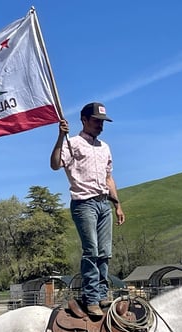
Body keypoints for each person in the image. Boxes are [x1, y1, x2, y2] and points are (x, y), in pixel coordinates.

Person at [50, 102, 125, 318]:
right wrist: (59, 137)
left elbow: (109, 178)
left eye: (102, 122)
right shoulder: (71, 143)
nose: (100, 126)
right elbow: (55, 164)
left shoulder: (105, 147)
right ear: (84, 120)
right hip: (84, 203)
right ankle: (91, 297)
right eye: (96, 121)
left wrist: (117, 204)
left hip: (104, 202)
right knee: (91, 250)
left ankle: (102, 293)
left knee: (105, 252)